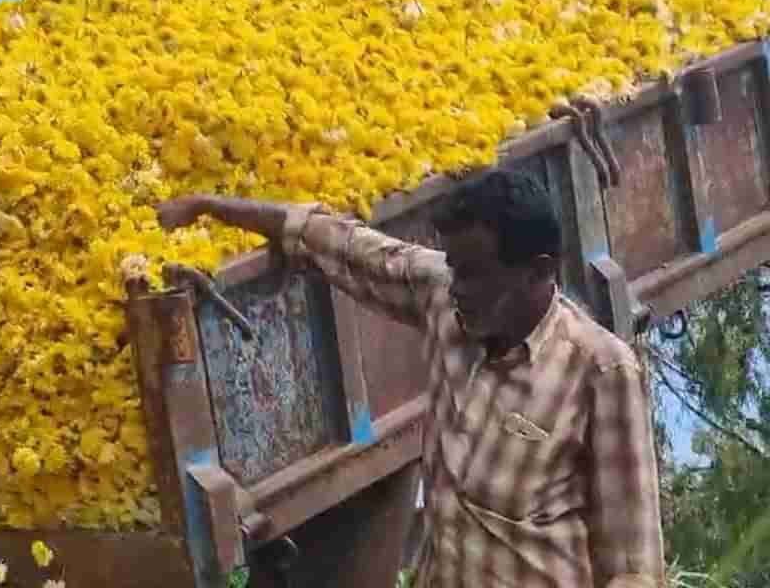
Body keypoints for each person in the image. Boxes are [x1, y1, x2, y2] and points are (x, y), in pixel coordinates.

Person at [156, 169, 665, 588]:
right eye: (454, 268)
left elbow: (634, 566)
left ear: (539, 271)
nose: (457, 287)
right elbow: (341, 243)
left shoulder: (602, 371)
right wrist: (208, 204)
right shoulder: (445, 297)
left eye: (475, 272)